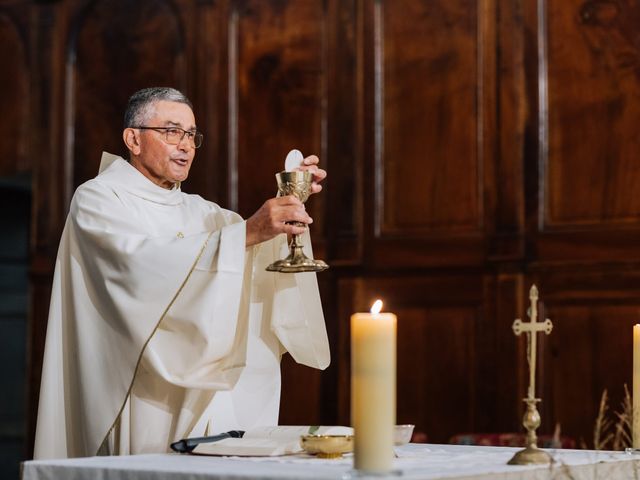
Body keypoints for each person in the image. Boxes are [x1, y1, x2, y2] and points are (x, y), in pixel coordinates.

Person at [34, 87, 330, 459]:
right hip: (141, 394)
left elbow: (251, 254)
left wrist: (290, 203)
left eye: (192, 135)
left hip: (204, 398)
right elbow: (137, 268)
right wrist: (250, 231)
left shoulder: (203, 212)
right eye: (173, 131)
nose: (186, 145)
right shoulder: (99, 199)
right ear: (133, 139)